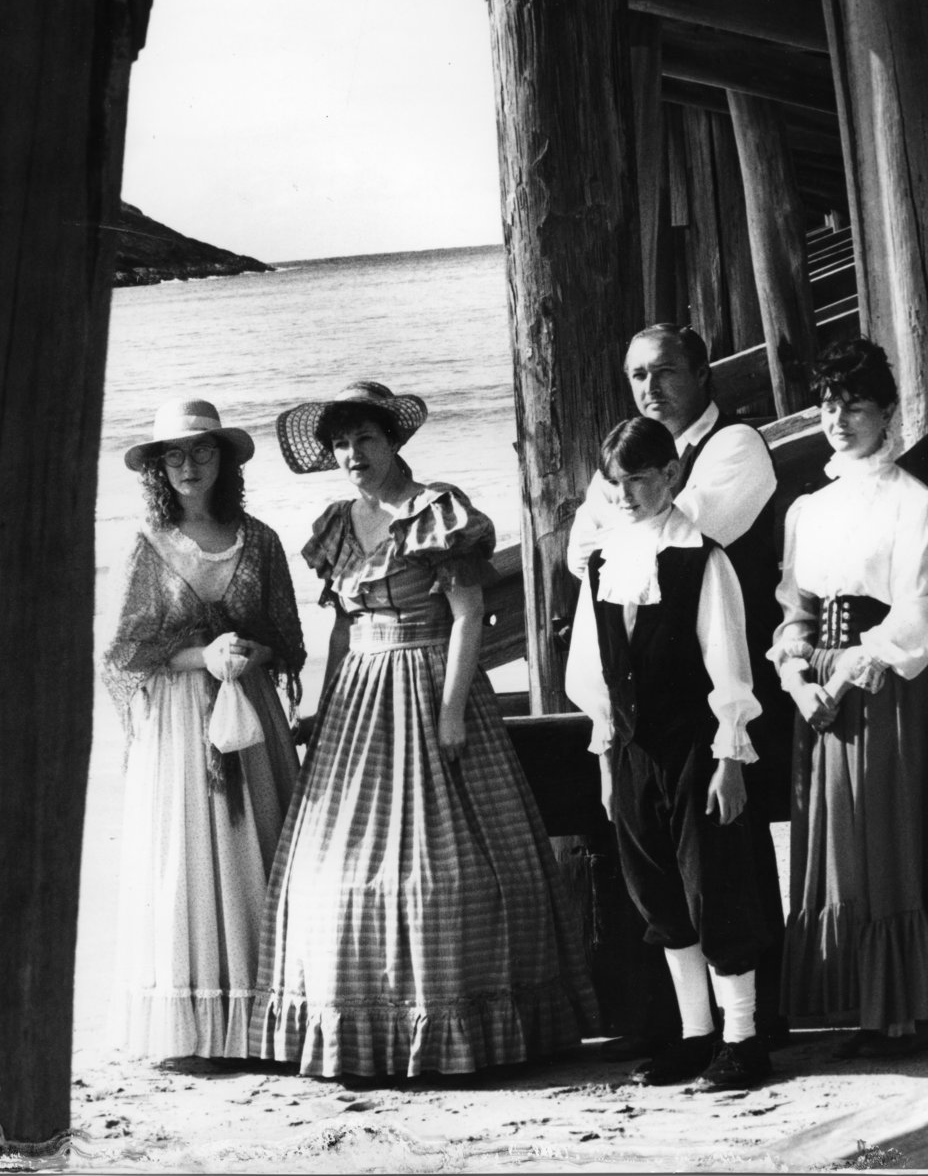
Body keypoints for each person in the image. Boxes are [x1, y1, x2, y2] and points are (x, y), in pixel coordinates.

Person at [250, 380, 598, 1078]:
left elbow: (468, 614)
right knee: (330, 868)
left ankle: (458, 1024)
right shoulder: (338, 524)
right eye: (341, 443)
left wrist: (449, 709)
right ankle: (361, 1028)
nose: (352, 453)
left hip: (429, 679)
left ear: (394, 440)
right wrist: (323, 709)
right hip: (359, 700)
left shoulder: (434, 509)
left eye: (365, 438)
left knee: (450, 866)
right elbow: (344, 628)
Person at [567, 323, 789, 1049]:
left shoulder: (735, 445)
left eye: (664, 372)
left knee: (725, 873)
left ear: (702, 373)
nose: (650, 388)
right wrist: (629, 504)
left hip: (725, 697)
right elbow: (582, 549)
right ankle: (695, 1031)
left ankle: (752, 1029)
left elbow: (697, 530)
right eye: (636, 376)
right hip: (643, 713)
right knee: (661, 881)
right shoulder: (633, 474)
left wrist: (629, 505)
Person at [770, 338, 928, 1055]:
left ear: (887, 413)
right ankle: (862, 1008)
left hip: (884, 682)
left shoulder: (914, 504)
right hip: (822, 695)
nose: (838, 419)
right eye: (829, 404)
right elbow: (795, 608)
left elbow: (913, 613)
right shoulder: (808, 508)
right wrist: (798, 679)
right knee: (836, 841)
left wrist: (845, 674)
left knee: (886, 835)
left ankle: (904, 1011)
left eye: (855, 406)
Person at [102, 397, 304, 1061]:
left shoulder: (263, 539)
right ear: (159, 468)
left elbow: (287, 640)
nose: (189, 465)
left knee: (258, 850)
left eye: (203, 450)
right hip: (181, 727)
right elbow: (123, 651)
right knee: (188, 857)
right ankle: (197, 1028)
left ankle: (266, 1013)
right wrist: (200, 657)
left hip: (250, 717)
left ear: (224, 458)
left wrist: (249, 653)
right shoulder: (145, 547)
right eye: (175, 455)